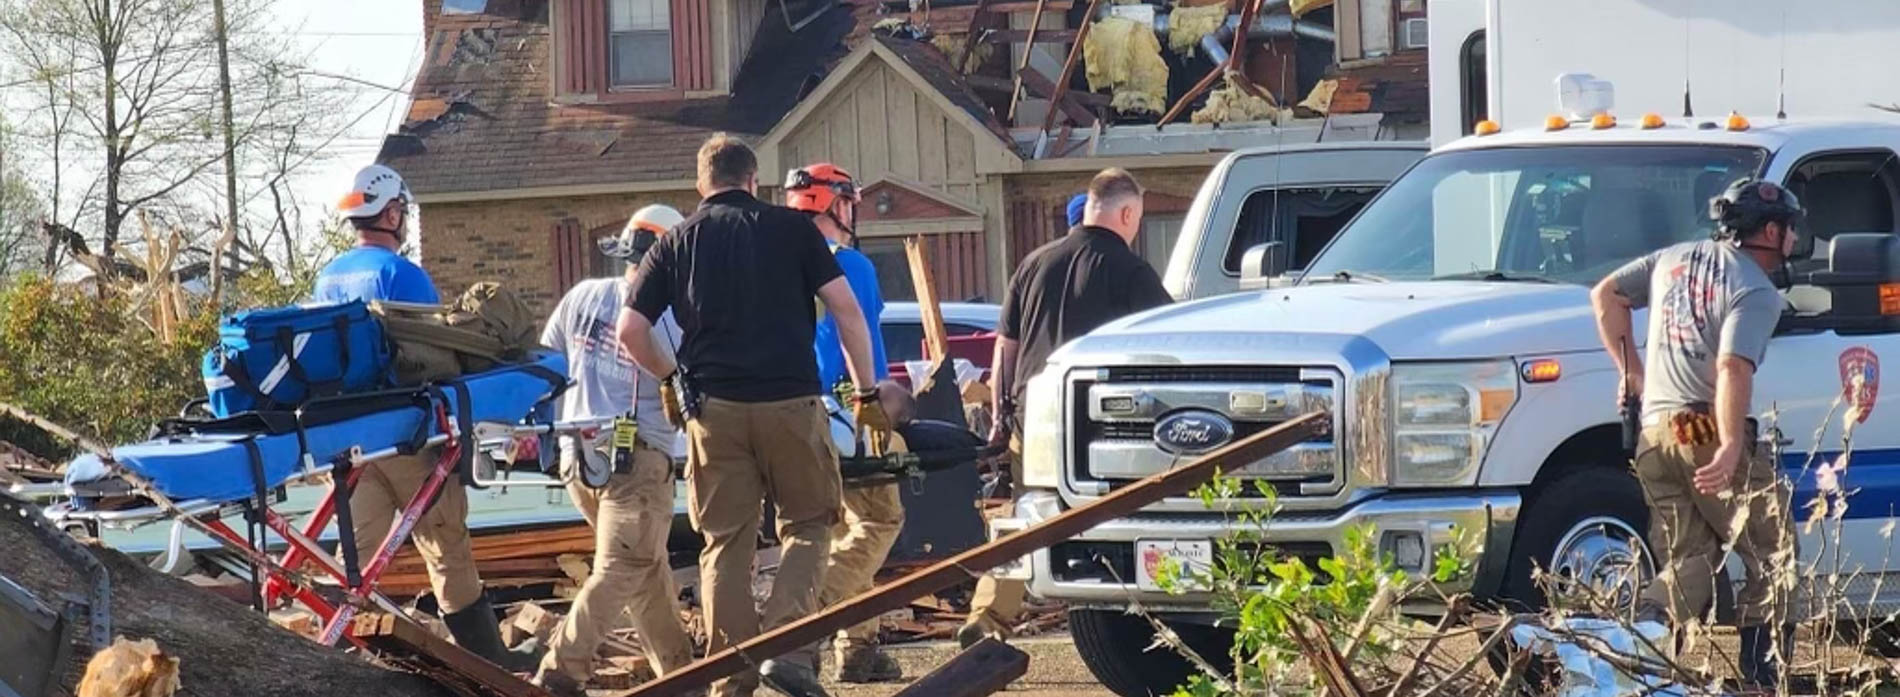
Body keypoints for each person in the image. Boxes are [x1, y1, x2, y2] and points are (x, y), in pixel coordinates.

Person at [615, 134, 886, 697]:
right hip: (791, 401)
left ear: (700, 184)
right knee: (810, 526)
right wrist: (866, 393)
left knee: (726, 543)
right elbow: (847, 312)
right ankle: (788, 650)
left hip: (713, 409)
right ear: (754, 180)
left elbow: (630, 331)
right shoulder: (792, 230)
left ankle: (729, 678)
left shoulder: (679, 240)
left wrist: (672, 378)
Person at [315, 165, 527, 670]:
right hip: (405, 435)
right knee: (446, 546)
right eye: (402, 212)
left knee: (350, 560)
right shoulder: (401, 275)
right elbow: (437, 354)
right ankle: (488, 664)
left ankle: (324, 658)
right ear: (390, 213)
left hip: (346, 440)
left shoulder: (329, 275)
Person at [1590, 178, 1799, 687]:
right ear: (1771, 231)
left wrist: (1633, 374)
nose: (1796, 238)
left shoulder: (1673, 258)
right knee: (1774, 553)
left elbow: (1606, 296)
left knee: (1692, 562)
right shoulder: (1755, 289)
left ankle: (1622, 646)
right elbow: (1732, 367)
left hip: (1653, 430)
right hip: (1698, 424)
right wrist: (1728, 443)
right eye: (1792, 229)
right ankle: (1763, 682)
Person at [958, 169, 1174, 648]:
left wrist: (999, 414)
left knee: (1025, 516)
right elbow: (1165, 345)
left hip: (1032, 418)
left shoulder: (1033, 263)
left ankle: (988, 616)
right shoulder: (1132, 272)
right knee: (1123, 517)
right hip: (1103, 426)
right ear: (1126, 213)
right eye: (1136, 218)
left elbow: (1004, 349)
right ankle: (1133, 626)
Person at [530, 205, 696, 696]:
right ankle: (562, 671)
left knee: (645, 568)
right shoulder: (667, 317)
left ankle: (682, 677)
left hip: (578, 457)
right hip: (636, 461)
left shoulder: (582, 296)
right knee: (623, 567)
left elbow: (547, 361)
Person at [784, 163, 903, 684]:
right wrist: (878, 397)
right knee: (878, 521)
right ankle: (802, 624)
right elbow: (864, 342)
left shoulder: (773, 264)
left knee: (832, 532)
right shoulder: (849, 264)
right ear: (835, 205)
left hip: (790, 416)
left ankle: (857, 648)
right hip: (849, 413)